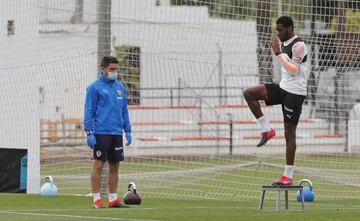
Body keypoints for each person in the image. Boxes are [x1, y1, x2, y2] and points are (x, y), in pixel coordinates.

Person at [243, 16, 308, 185]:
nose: (278, 33)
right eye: (277, 30)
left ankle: (288, 176)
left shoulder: (299, 45)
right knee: (250, 93)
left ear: (290, 28)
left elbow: (294, 70)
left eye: (280, 30)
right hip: (283, 87)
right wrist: (278, 50)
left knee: (289, 133)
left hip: (295, 93)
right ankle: (266, 129)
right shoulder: (283, 42)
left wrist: (277, 52)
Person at [84, 55, 132, 208]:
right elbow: (88, 111)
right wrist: (89, 132)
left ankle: (113, 199)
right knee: (98, 164)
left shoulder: (120, 87)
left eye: (116, 69)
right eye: (112, 69)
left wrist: (128, 130)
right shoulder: (94, 88)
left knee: (115, 166)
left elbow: (124, 110)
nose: (114, 72)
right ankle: (97, 199)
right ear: (103, 69)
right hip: (101, 132)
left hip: (117, 133)